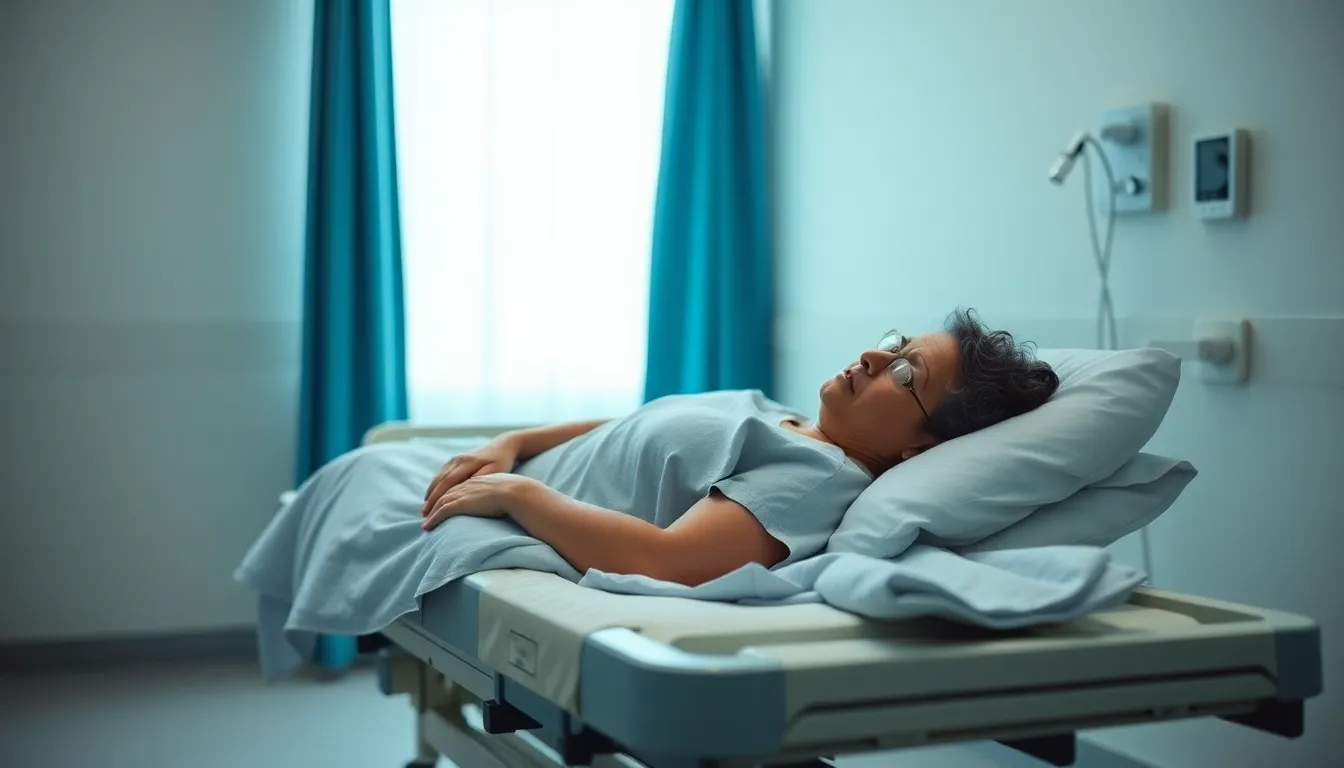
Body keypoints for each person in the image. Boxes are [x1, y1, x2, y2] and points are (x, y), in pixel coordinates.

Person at [418, 309, 1059, 586]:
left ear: (919, 450)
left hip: (497, 509)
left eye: (903, 372)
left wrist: (518, 494)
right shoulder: (783, 420)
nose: (872, 355)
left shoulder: (813, 478)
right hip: (497, 470)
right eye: (894, 345)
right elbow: (630, 424)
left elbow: (665, 562)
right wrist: (512, 443)